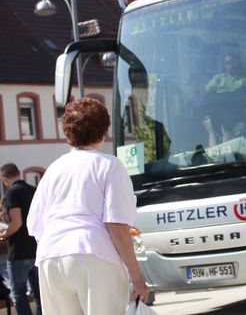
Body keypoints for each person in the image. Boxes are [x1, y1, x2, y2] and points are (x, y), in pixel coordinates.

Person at [26, 97, 149, 315]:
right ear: (103, 132)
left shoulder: (53, 169)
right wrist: (137, 277)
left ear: (68, 134)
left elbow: (35, 225)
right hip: (94, 253)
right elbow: (117, 225)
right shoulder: (110, 166)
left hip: (51, 256)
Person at [0, 162, 41, 315]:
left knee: (18, 294)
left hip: (18, 252)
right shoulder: (33, 190)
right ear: (18, 173)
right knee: (39, 294)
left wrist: (3, 234)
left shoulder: (12, 193)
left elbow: (16, 223)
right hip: (35, 248)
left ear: (4, 178)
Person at [203, 51, 246, 144]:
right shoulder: (218, 79)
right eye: (227, 62)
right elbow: (207, 94)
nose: (230, 65)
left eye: (233, 62)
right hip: (221, 115)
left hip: (242, 114)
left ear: (239, 63)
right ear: (224, 65)